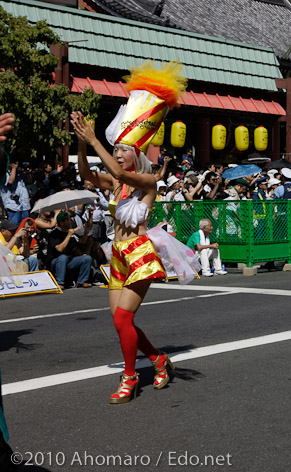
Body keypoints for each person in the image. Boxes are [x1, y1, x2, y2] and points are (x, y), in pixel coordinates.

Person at [71, 60, 199, 404]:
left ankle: (129, 378)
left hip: (140, 254)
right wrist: (83, 144)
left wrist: (94, 139)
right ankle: (157, 359)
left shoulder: (147, 180)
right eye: (116, 149)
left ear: (136, 154)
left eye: (123, 149)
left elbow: (119, 172)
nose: (117, 154)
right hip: (117, 254)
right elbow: (85, 173)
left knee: (125, 317)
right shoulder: (113, 180)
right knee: (119, 322)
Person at [46, 211, 93, 289]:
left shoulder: (70, 233)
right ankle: (60, 282)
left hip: (68, 261)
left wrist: (86, 231)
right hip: (56, 262)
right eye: (67, 220)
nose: (70, 221)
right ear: (61, 223)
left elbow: (80, 244)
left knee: (86, 258)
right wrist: (68, 235)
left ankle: (81, 281)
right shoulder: (54, 234)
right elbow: (59, 249)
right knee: (63, 257)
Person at [1, 159, 31, 224]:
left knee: (26, 225)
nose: (16, 164)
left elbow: (29, 181)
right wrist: (14, 168)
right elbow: (10, 181)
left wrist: (27, 172)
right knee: (15, 226)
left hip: (24, 205)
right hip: (13, 206)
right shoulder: (3, 173)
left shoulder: (19, 173)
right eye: (13, 163)